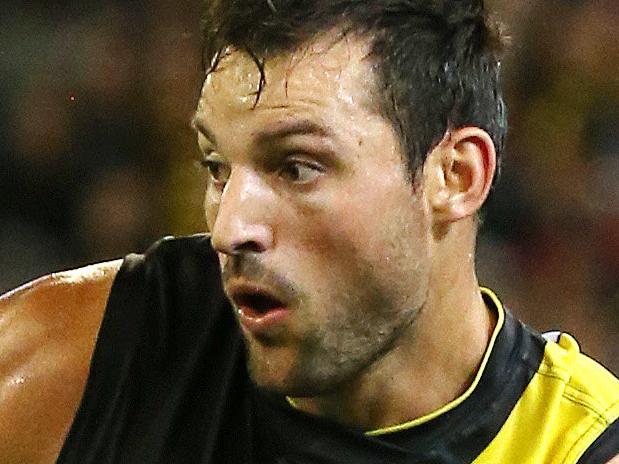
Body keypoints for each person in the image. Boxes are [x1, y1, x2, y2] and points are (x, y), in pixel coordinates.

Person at [1, 0, 618, 462]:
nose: (231, 227)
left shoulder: (573, 447)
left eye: (297, 167)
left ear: (454, 176)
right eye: (218, 167)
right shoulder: (102, 357)